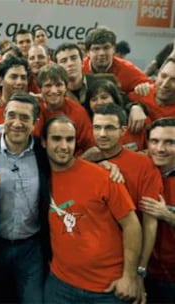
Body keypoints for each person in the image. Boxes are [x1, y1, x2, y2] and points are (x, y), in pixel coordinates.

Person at [41, 115, 142, 303]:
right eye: (56, 138)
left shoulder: (102, 176)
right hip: (60, 284)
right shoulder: (39, 176)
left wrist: (130, 276)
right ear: (44, 142)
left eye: (69, 139)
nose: (64, 146)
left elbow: (131, 225)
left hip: (107, 288)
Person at [89, 103, 163, 302]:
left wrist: (139, 272)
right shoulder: (83, 160)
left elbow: (149, 221)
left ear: (123, 130)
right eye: (97, 127)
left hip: (126, 260)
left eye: (109, 128)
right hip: (91, 262)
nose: (102, 134)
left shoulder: (143, 165)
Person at [0, 92, 51, 303]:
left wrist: (106, 162)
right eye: (11, 115)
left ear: (36, 122)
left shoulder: (45, 153)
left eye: (24, 118)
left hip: (32, 249)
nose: (16, 123)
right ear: (3, 116)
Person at [54, 42, 147, 134]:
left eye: (74, 58)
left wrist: (135, 107)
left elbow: (123, 101)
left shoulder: (106, 80)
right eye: (63, 61)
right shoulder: (54, 92)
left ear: (82, 61)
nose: (70, 63)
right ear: (57, 67)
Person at [140, 118, 175, 303]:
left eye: (169, 142)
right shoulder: (138, 169)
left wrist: (168, 216)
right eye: (155, 141)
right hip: (144, 273)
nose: (160, 149)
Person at [34, 63, 94, 155]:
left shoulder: (77, 112)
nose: (53, 91)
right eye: (48, 85)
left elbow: (91, 148)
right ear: (39, 89)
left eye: (59, 85)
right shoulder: (33, 108)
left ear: (66, 87)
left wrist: (74, 164)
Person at [82, 26, 151, 95]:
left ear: (114, 49)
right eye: (96, 49)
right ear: (87, 52)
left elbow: (152, 87)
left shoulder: (127, 69)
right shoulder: (79, 68)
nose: (101, 53)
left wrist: (144, 88)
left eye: (106, 47)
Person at [128, 57, 175, 121]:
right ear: (157, 75)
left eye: (174, 80)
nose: (165, 84)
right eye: (163, 76)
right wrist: (134, 106)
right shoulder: (141, 93)